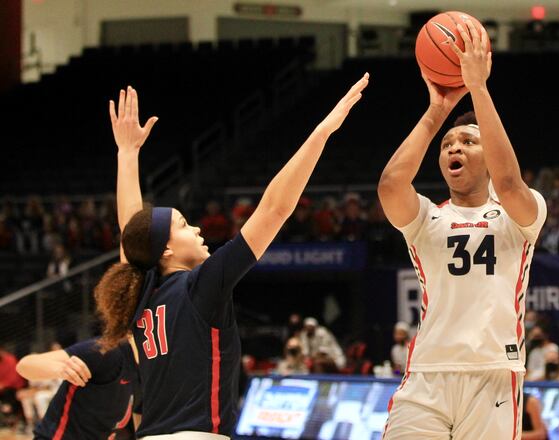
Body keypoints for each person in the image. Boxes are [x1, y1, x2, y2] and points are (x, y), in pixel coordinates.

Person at [94, 77, 367, 439]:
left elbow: (133, 234)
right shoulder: (199, 285)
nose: (198, 230)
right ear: (167, 250)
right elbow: (275, 208)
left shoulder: (143, 296)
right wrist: (323, 131)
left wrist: (126, 154)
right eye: (184, 225)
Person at [379, 20, 547, 439]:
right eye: (447, 144)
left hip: (493, 372)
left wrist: (478, 88)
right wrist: (437, 112)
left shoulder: (520, 215)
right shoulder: (425, 219)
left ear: (489, 156)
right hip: (426, 376)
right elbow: (390, 186)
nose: (454, 146)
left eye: (468, 142)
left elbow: (509, 184)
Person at [15, 338, 138, 439]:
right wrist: (62, 369)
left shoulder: (148, 370)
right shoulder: (105, 350)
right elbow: (24, 365)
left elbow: (141, 422)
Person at [15, 343, 62, 435]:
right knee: (26, 398)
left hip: (54, 391)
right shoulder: (31, 370)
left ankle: (45, 425)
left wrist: (31, 392)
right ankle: (30, 424)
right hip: (42, 391)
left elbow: (47, 386)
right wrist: (27, 392)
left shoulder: (47, 365)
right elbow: (33, 387)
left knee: (39, 397)